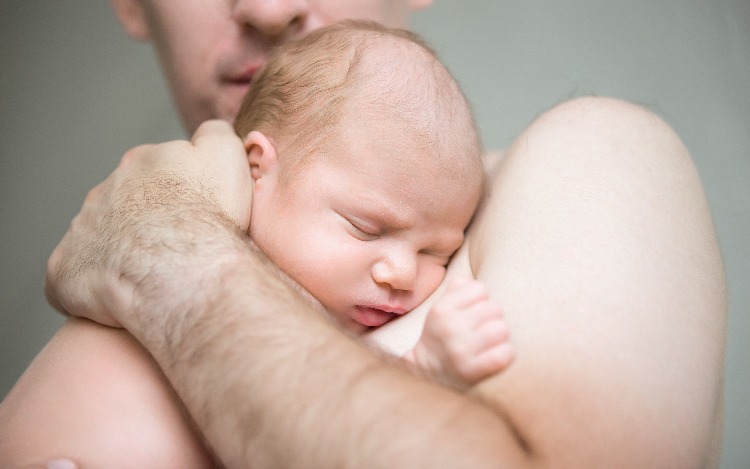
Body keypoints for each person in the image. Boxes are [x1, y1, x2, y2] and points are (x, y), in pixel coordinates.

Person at [0, 1, 727, 468]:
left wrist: (172, 255)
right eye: (363, 226)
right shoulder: (147, 211)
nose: (268, 7)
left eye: (437, 253)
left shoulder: (589, 162)